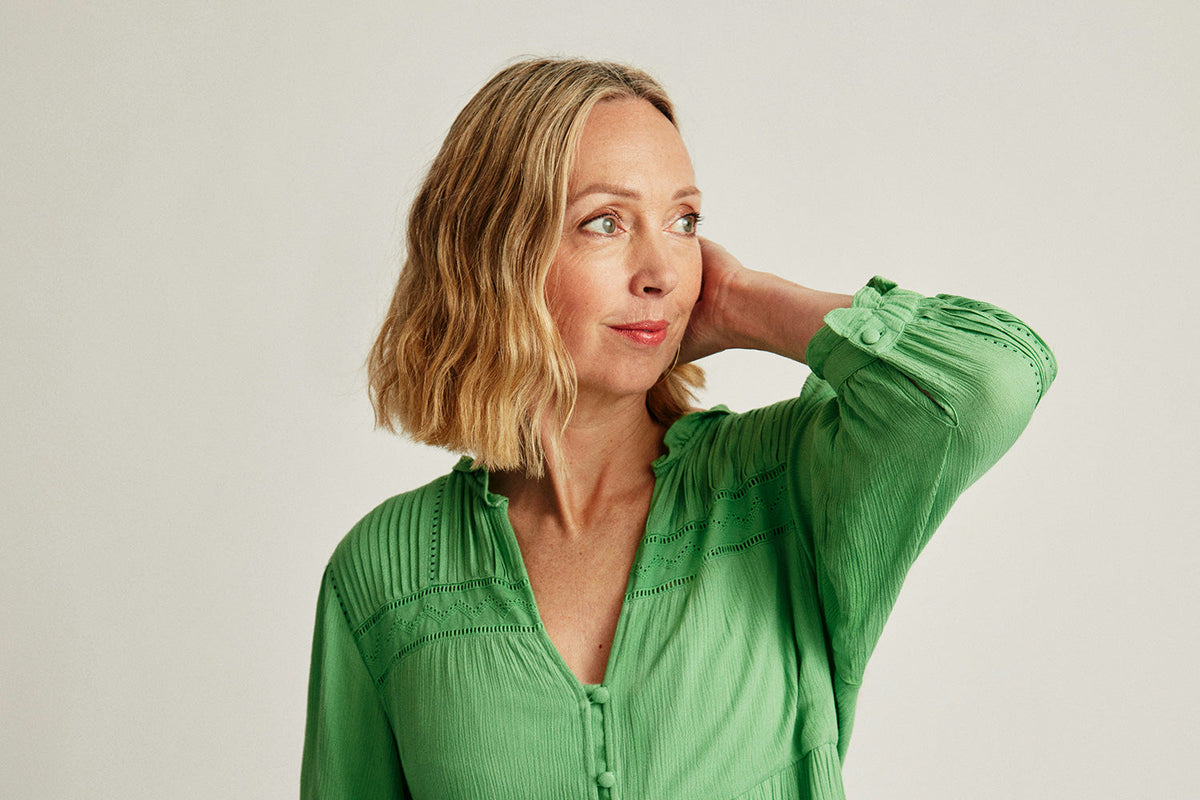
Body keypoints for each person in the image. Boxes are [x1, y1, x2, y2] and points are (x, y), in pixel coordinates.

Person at [301, 58, 1056, 800]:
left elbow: (990, 380)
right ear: (493, 256)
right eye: (605, 222)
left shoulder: (782, 486)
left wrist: (744, 304)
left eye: (684, 221)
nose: (662, 269)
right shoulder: (384, 575)